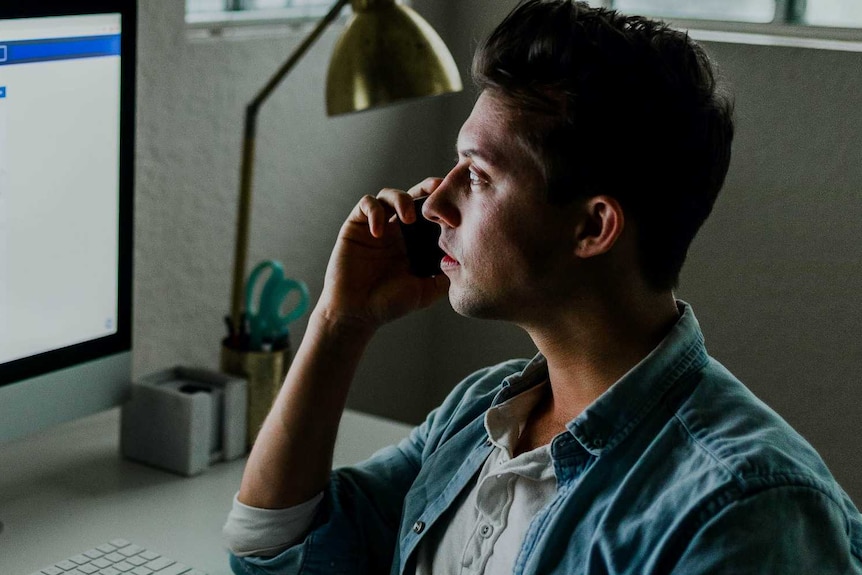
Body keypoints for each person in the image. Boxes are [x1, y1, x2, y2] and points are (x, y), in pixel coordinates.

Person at [224, 1, 862, 573]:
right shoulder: (481, 415)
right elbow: (271, 554)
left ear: (592, 226)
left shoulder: (745, 508)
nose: (435, 200)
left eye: (476, 174)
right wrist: (340, 323)